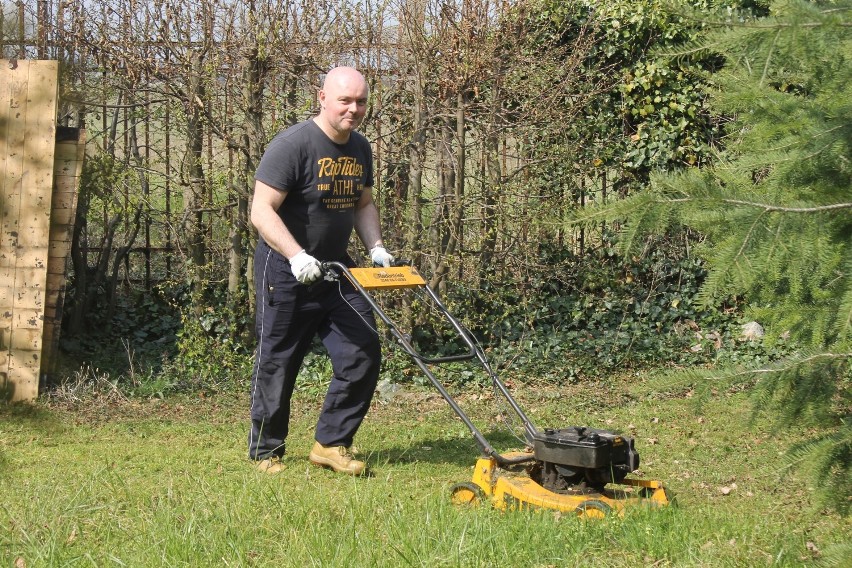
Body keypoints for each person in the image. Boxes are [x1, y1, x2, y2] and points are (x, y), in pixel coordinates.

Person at [248, 66, 394, 476]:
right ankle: (266, 450)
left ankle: (331, 443)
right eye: (345, 100)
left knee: (362, 351)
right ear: (322, 97)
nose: (354, 109)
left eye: (361, 101)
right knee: (279, 360)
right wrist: (296, 255)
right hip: (285, 269)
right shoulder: (293, 145)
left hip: (337, 271)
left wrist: (376, 247)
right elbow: (261, 211)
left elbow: (363, 204)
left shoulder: (360, 147)